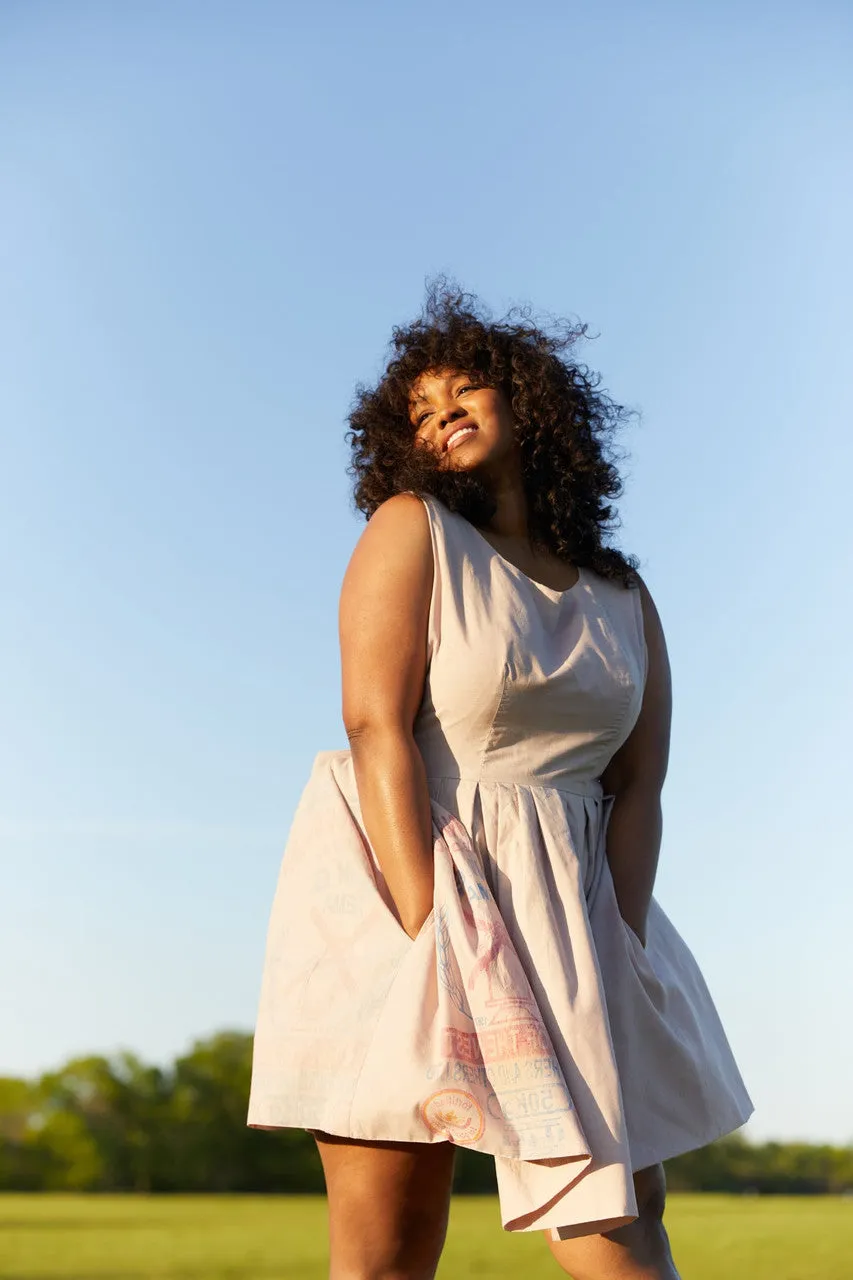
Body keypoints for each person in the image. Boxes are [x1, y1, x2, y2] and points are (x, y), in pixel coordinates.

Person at [247, 282, 753, 1279]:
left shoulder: (621, 591)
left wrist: (619, 937)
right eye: (420, 414)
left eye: (462, 390)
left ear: (527, 399)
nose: (442, 417)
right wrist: (429, 926)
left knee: (619, 1222)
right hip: (410, 887)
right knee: (389, 1247)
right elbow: (374, 725)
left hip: (574, 906)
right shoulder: (413, 528)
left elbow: (639, 783)